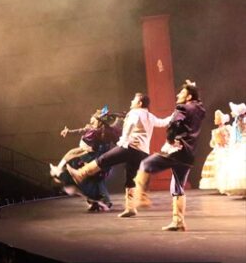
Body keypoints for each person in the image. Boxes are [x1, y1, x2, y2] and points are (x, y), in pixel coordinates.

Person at [67, 94, 171, 216]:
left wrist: (124, 140)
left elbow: (131, 124)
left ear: (140, 103)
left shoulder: (135, 113)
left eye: (134, 99)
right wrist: (176, 115)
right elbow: (163, 122)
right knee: (130, 178)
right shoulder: (150, 116)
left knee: (103, 159)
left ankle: (81, 174)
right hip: (142, 152)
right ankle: (131, 208)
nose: (132, 101)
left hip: (130, 147)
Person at [131, 80, 205, 231]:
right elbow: (198, 104)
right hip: (188, 155)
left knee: (145, 165)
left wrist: (171, 138)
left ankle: (142, 197)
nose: (178, 95)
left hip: (176, 150)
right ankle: (178, 222)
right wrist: (193, 88)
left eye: (182, 92)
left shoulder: (182, 108)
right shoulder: (199, 109)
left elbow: (173, 124)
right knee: (178, 187)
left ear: (189, 96)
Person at [199, 110, 230, 191]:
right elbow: (212, 143)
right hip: (218, 148)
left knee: (224, 164)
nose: (215, 120)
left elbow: (230, 137)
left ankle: (226, 184)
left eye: (217, 118)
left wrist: (226, 142)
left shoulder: (227, 128)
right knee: (216, 165)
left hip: (225, 148)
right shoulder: (214, 131)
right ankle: (218, 184)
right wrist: (217, 143)